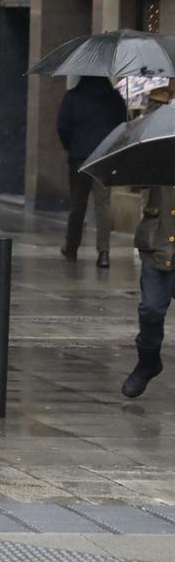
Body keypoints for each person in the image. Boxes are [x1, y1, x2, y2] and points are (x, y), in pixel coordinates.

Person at [124, 86, 174, 399]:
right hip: (159, 240)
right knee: (151, 310)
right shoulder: (159, 124)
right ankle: (148, 360)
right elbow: (136, 180)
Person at [60, 75, 128, 267]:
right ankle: (104, 253)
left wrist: (71, 146)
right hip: (104, 157)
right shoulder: (114, 98)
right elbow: (122, 126)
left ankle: (71, 247)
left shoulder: (73, 96)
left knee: (77, 204)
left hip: (79, 158)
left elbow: (62, 126)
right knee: (103, 204)